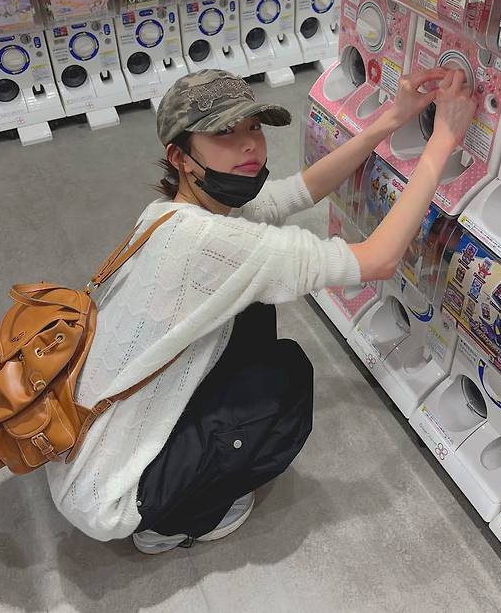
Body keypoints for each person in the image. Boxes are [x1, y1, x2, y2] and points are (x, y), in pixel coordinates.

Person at [45, 67, 476, 553]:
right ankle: (173, 520)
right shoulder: (209, 242)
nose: (249, 144)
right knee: (284, 379)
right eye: (223, 133)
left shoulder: (173, 213)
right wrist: (443, 140)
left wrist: (392, 119)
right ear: (180, 156)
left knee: (251, 318)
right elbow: (380, 259)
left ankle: (175, 480)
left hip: (85, 443)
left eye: (254, 126)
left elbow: (299, 191)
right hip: (109, 490)